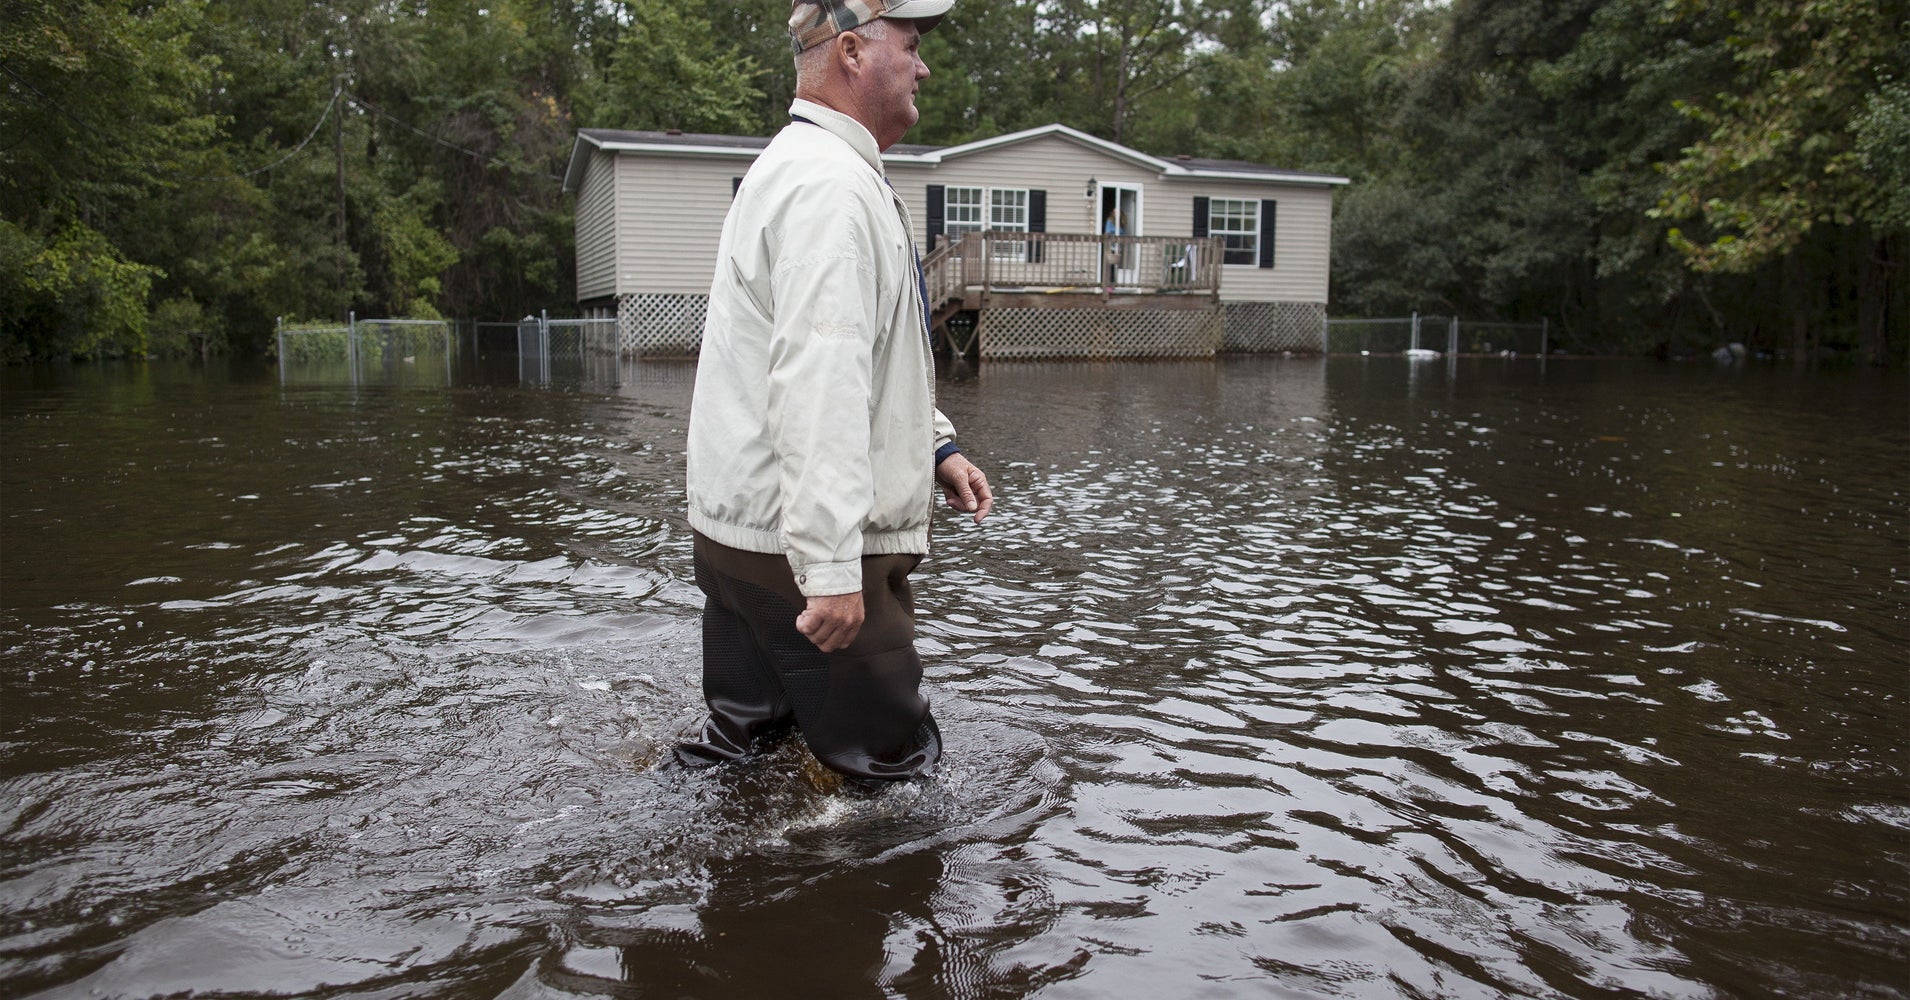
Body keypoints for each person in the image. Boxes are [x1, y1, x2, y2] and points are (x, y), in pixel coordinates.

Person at [675, 0, 993, 784]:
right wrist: (830, 572)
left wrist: (936, 446)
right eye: (911, 45)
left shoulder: (804, 166)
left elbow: (871, 356)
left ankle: (701, 883)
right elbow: (821, 381)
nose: (924, 66)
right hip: (798, 549)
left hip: (740, 536)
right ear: (852, 52)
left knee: (746, 752)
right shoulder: (831, 189)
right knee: (892, 771)